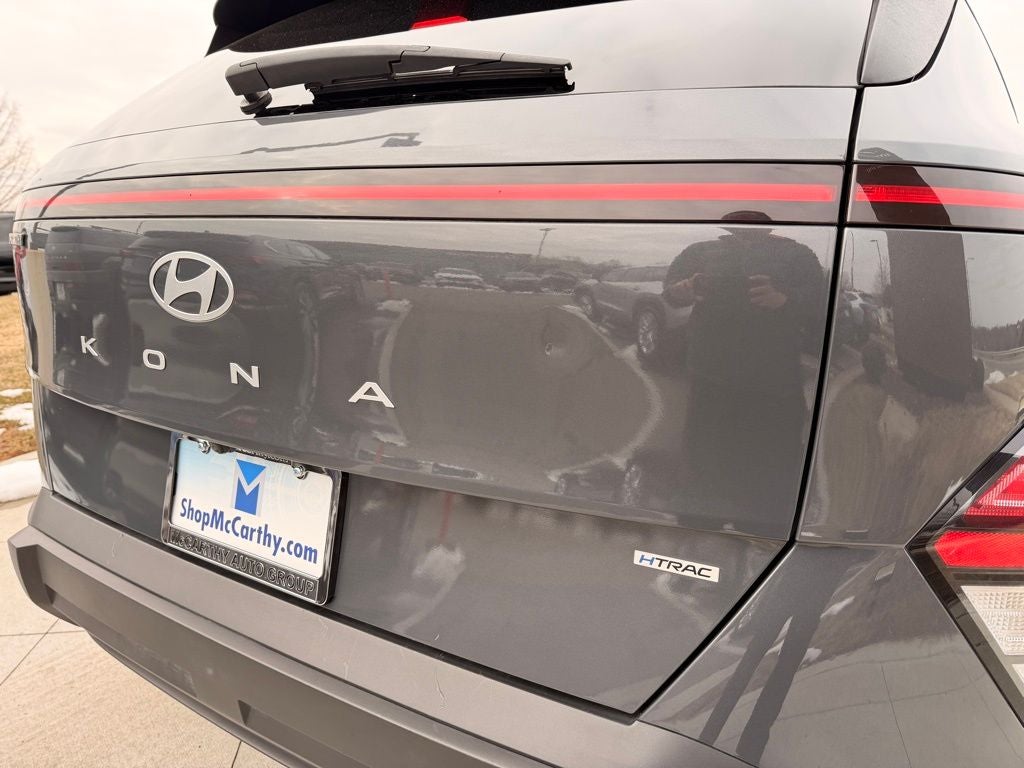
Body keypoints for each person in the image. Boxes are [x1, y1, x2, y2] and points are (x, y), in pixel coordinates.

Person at [663, 211, 825, 535]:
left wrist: (784, 299)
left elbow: (821, 303)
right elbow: (670, 292)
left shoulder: (796, 254)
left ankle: (761, 537)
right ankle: (699, 532)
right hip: (709, 376)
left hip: (773, 381)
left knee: (768, 468)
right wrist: (683, 291)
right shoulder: (699, 251)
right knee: (704, 461)